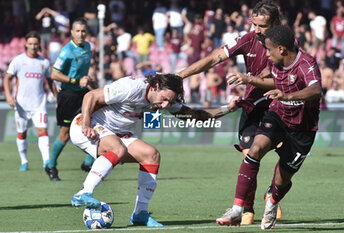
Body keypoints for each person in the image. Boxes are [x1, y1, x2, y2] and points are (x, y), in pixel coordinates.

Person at [69, 73, 239, 227]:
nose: (165, 105)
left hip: (118, 134)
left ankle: (140, 214)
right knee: (117, 148)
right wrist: (85, 125)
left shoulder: (161, 100)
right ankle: (84, 193)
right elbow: (90, 96)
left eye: (169, 102)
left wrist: (226, 109)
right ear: (156, 86)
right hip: (86, 125)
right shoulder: (132, 86)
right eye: (164, 99)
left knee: (151, 155)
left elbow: (194, 117)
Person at [176, 0, 282, 225]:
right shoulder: (248, 39)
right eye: (254, 24)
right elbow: (214, 58)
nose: (257, 30)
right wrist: (180, 75)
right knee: (249, 156)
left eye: (262, 26)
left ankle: (273, 194)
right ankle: (248, 210)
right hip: (253, 105)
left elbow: (279, 80)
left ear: (274, 23)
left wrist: (247, 79)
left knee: (284, 156)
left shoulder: (287, 43)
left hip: (278, 104)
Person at [226, 25, 322, 229]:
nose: (267, 54)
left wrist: (288, 96)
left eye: (269, 50)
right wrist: (248, 79)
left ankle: (271, 202)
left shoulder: (306, 63)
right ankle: (237, 209)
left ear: (281, 49)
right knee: (255, 149)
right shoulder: (275, 64)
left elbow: (315, 89)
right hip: (277, 115)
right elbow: (274, 80)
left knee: (282, 179)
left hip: (303, 128)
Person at [45, 18, 98, 181]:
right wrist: (75, 81)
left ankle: (88, 162)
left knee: (93, 124)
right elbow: (54, 74)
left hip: (82, 93)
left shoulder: (88, 47)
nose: (81, 34)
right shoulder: (67, 50)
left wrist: (90, 82)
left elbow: (86, 68)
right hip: (68, 95)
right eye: (77, 31)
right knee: (65, 133)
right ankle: (51, 165)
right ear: (72, 32)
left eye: (83, 31)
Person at [3, 31, 57, 171]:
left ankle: (46, 162)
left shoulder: (44, 62)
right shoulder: (18, 61)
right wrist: (9, 96)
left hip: (39, 104)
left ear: (39, 45)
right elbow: (7, 78)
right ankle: (24, 161)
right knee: (22, 133)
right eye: (30, 44)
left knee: (43, 131)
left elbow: (50, 81)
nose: (33, 46)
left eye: (35, 44)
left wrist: (57, 97)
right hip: (21, 105)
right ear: (26, 45)